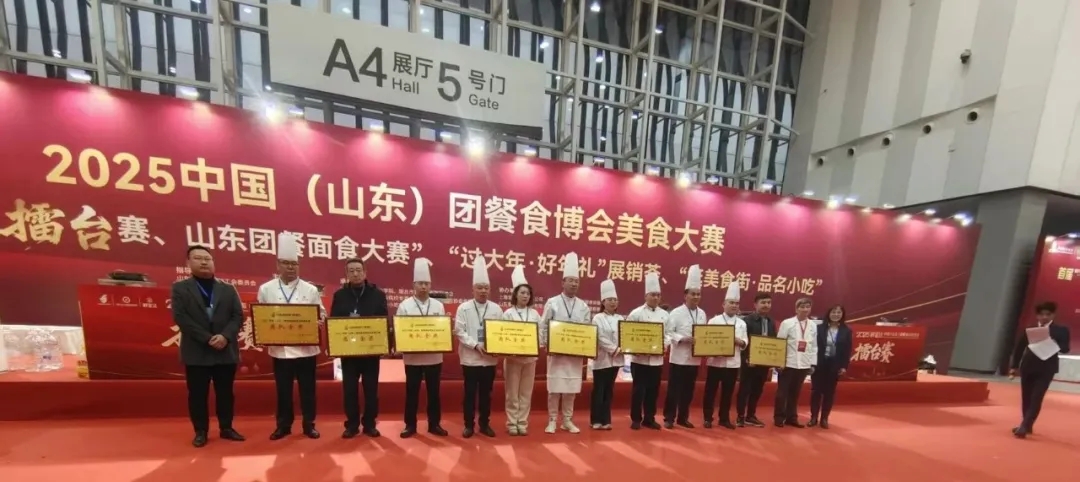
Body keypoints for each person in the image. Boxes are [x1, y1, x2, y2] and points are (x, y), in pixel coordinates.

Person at [171, 245, 246, 448]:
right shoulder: (180, 288)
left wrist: (225, 336)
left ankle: (226, 428)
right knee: (197, 394)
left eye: (207, 258)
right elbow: (181, 318)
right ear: (188, 263)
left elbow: (238, 316)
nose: (204, 262)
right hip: (197, 350)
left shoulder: (228, 289)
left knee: (225, 393)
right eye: (198, 258)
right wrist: (207, 338)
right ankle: (201, 431)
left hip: (225, 350)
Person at [258, 233, 326, 440]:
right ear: (278, 265)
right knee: (283, 390)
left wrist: (318, 321)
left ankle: (309, 424)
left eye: (294, 264)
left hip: (306, 349)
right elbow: (262, 315)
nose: (290, 267)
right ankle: (283, 425)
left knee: (308, 390)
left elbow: (321, 313)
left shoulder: (310, 289)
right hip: (280, 351)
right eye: (286, 263)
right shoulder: (266, 289)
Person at [330, 258, 388, 438]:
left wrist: (383, 344)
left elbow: (384, 322)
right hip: (349, 352)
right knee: (350, 390)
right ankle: (352, 425)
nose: (355, 274)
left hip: (371, 352)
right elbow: (334, 322)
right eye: (351, 271)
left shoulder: (377, 295)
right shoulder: (340, 295)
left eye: (358, 270)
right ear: (346, 274)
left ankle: (370, 424)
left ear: (365, 272)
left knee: (371, 390)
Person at [395, 258, 449, 438]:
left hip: (434, 357)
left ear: (430, 285)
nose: (424, 287)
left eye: (426, 283)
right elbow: (400, 330)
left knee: (434, 392)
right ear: (414, 285)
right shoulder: (404, 305)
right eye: (420, 283)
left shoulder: (438, 305)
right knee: (412, 392)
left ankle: (434, 424)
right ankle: (410, 425)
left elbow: (442, 329)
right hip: (412, 358)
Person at [541, 252, 593, 434]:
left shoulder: (583, 306)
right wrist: (547, 345)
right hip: (556, 354)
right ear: (563, 282)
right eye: (570, 281)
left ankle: (567, 420)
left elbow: (587, 329)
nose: (574, 284)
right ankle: (552, 420)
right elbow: (544, 325)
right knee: (554, 389)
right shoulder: (552, 302)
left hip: (574, 355)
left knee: (571, 388)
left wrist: (585, 347)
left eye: (576, 281)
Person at [1009, 301, 1072, 438]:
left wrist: (1052, 342)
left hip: (1046, 369)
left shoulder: (1061, 330)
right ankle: (1027, 425)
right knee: (1026, 397)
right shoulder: (1030, 329)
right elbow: (1020, 348)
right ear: (1037, 315)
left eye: (1048, 314)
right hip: (1028, 367)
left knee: (1036, 397)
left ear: (1053, 315)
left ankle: (1024, 426)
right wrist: (1014, 366)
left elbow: (1066, 348)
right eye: (1041, 314)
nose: (1044, 317)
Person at [454, 254, 501, 438]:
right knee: (470, 394)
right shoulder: (463, 308)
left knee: (486, 395)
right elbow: (459, 331)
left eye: (486, 288)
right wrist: (475, 345)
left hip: (489, 360)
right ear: (473, 289)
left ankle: (484, 424)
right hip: (470, 359)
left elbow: (501, 332)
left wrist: (498, 346)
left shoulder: (496, 309)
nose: (483, 291)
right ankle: (468, 425)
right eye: (480, 287)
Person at [663, 265, 707, 429]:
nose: (696, 297)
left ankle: (683, 417)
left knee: (688, 390)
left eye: (698, 294)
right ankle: (669, 418)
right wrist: (683, 339)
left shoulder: (702, 313)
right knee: (673, 390)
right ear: (685, 295)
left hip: (694, 359)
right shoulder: (676, 312)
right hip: (679, 358)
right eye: (693, 294)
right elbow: (669, 333)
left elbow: (704, 333)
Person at [702, 282, 748, 429]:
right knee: (711, 391)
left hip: (733, 363)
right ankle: (707, 418)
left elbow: (745, 342)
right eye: (731, 303)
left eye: (736, 303)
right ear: (723, 304)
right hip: (715, 362)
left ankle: (724, 418)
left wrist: (739, 341)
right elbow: (707, 340)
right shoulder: (714, 321)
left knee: (728, 392)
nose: (734, 306)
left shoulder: (742, 323)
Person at [502, 266, 542, 436]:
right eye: (522, 293)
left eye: (528, 293)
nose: (525, 296)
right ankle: (512, 422)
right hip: (513, 359)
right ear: (515, 294)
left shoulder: (534, 314)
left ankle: (522, 422)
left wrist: (537, 345)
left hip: (530, 360)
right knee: (512, 393)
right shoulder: (508, 314)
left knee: (526, 392)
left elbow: (540, 334)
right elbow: (503, 335)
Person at [625, 272, 667, 430]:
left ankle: (649, 418)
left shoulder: (665, 315)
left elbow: (668, 334)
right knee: (638, 390)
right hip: (639, 360)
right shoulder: (636, 313)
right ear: (646, 296)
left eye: (658, 295)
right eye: (653, 295)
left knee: (653, 391)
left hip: (656, 360)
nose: (656, 298)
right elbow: (628, 335)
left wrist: (664, 345)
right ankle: (636, 418)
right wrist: (634, 349)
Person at [773, 297, 817, 428]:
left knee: (795, 393)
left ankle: (791, 418)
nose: (805, 309)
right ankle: (779, 417)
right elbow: (780, 343)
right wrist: (779, 362)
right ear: (796, 309)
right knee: (782, 393)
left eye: (807, 307)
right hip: (788, 363)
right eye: (802, 307)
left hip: (803, 364)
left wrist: (812, 363)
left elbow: (814, 346)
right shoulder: (787, 323)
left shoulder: (813, 325)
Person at [808, 304, 852, 429]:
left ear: (842, 315)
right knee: (816, 391)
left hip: (834, 365)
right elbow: (812, 346)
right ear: (828, 313)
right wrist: (811, 363)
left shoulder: (846, 330)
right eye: (833, 312)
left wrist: (844, 366)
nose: (836, 315)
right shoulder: (819, 328)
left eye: (839, 312)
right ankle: (813, 417)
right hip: (819, 364)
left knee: (829, 393)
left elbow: (847, 350)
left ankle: (824, 418)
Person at [736, 292, 774, 427]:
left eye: (768, 302)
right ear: (755, 304)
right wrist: (747, 358)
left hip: (763, 362)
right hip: (749, 362)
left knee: (757, 390)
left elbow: (773, 343)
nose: (766, 305)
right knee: (744, 389)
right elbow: (744, 341)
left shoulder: (770, 322)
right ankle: (740, 416)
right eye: (763, 302)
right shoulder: (747, 321)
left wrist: (773, 360)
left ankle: (751, 415)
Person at [590, 279, 623, 430]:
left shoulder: (620, 318)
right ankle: (596, 420)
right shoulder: (597, 318)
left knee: (609, 390)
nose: (613, 302)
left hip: (616, 360)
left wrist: (624, 347)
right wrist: (614, 349)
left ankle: (606, 419)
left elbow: (624, 335)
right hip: (602, 359)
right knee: (599, 390)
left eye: (615, 300)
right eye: (610, 300)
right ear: (603, 302)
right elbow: (600, 337)